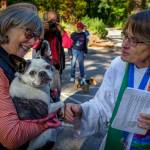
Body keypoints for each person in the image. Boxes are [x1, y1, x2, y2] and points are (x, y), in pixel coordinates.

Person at [64, 10, 150, 150]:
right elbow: (103, 107)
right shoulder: (119, 66)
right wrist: (82, 111)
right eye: (125, 36)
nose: (124, 44)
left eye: (134, 40)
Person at [0, 3, 59, 149]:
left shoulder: (7, 60)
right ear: (8, 25)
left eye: (35, 37)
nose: (33, 42)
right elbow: (12, 137)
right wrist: (47, 122)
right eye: (29, 33)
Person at [44, 10, 65, 75]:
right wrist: (43, 30)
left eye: (55, 20)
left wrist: (61, 30)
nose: (53, 23)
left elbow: (68, 44)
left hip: (57, 66)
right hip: (44, 66)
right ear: (45, 20)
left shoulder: (59, 32)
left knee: (57, 84)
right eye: (50, 21)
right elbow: (35, 45)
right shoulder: (40, 30)